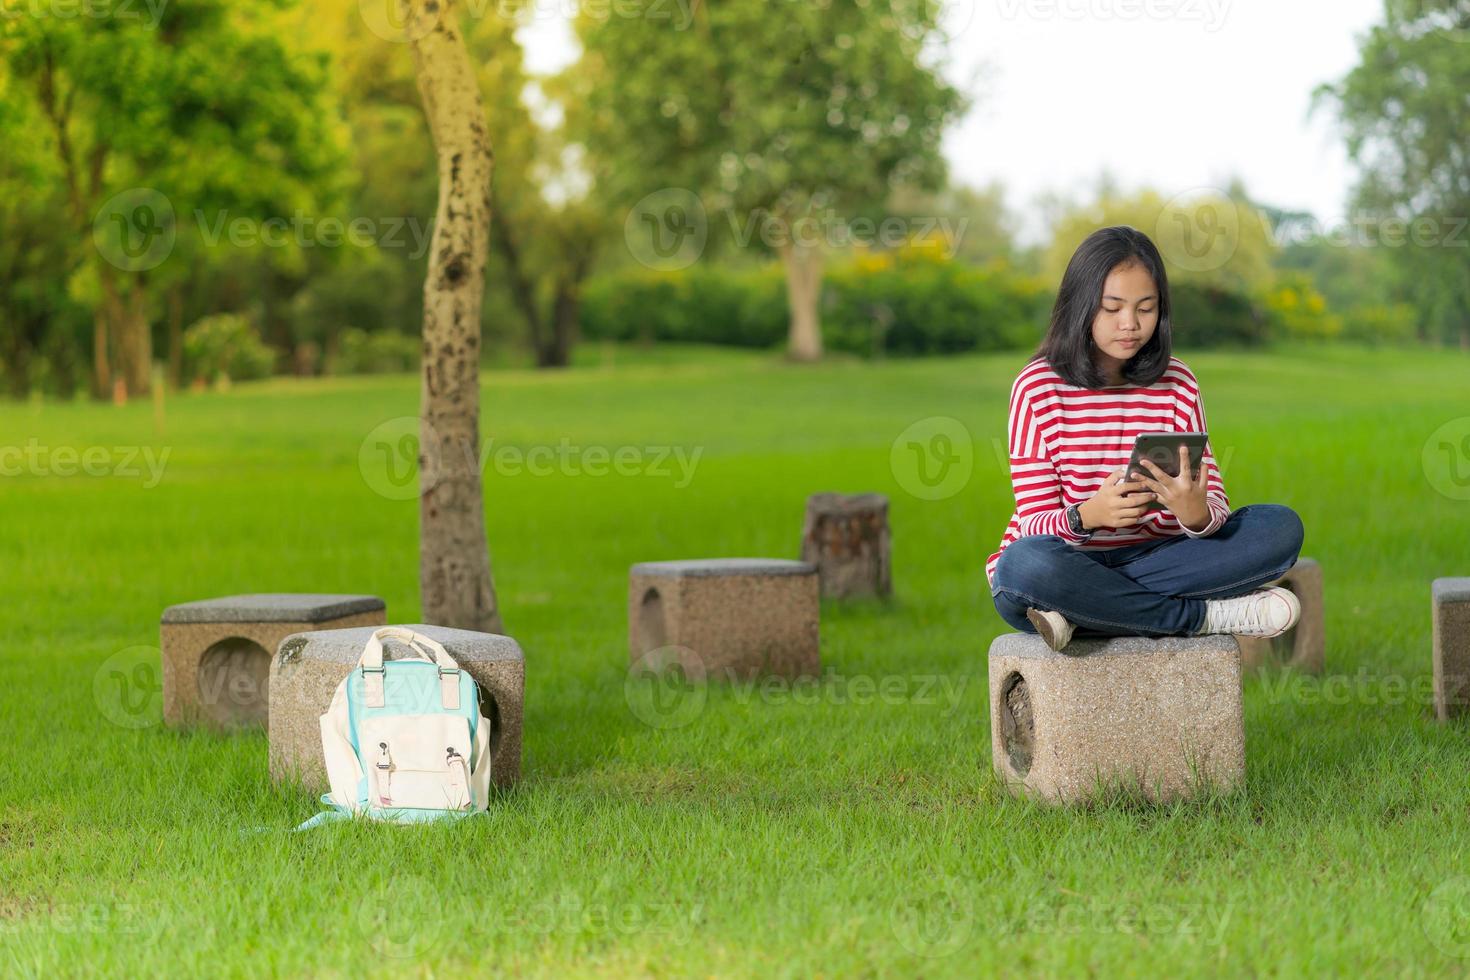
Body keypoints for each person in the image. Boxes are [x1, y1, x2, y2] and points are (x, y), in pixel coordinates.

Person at [986, 225, 1305, 653]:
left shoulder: (1178, 382)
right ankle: (1202, 617)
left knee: (1279, 529)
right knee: (1022, 567)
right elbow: (1033, 523)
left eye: (1146, 308)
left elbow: (1216, 511)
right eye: (1112, 308)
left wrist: (1195, 515)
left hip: (1163, 558)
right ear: (1081, 306)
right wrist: (1088, 515)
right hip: (1067, 561)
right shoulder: (1038, 386)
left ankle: (1085, 613)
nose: (1130, 324)